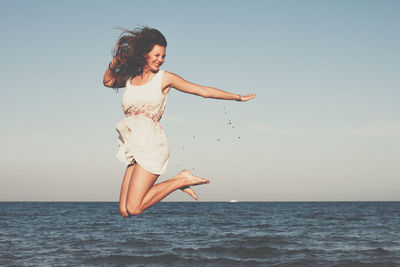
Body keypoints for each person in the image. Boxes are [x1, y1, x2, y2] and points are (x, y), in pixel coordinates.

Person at [103, 27, 256, 217]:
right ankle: (179, 181)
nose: (160, 59)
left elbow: (202, 91)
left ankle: (181, 180)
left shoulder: (164, 78)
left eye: (163, 56)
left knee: (134, 208)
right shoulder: (131, 79)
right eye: (157, 55)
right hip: (133, 146)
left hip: (151, 144)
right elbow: (108, 82)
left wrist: (237, 97)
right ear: (144, 54)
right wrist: (115, 62)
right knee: (125, 211)